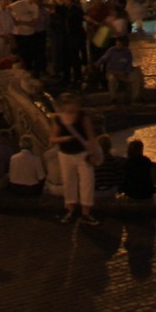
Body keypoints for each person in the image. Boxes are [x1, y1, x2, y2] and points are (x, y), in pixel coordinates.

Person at [51, 95, 101, 225]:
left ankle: (86, 213)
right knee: (68, 182)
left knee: (87, 182)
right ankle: (70, 210)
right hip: (65, 155)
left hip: (83, 155)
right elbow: (52, 139)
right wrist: (63, 139)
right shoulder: (58, 119)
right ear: (65, 105)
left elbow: (91, 136)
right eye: (73, 103)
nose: (76, 106)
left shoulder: (83, 117)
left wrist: (94, 153)